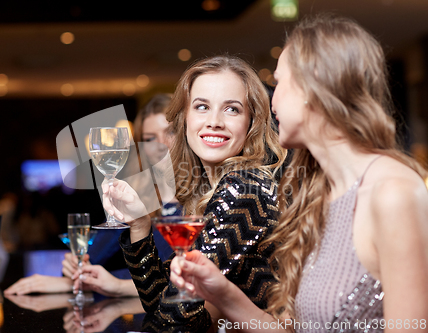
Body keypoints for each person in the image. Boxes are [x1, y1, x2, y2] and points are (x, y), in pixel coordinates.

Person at [169, 14, 428, 332]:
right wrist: (223, 294)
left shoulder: (392, 192)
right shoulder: (317, 195)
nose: (271, 99)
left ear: (314, 89)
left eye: (280, 83)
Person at [88, 54, 286, 327]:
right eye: (202, 106)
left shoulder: (244, 188)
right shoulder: (210, 188)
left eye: (232, 109)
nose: (214, 121)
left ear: (252, 122)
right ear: (184, 119)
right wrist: (140, 226)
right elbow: (164, 303)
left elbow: (175, 322)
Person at [4, 94, 180, 296]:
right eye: (150, 138)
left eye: (171, 132)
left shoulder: (206, 198)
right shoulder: (136, 195)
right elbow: (95, 256)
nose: (161, 144)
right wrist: (76, 268)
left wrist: (117, 285)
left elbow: (186, 279)